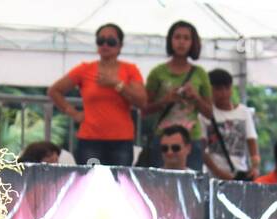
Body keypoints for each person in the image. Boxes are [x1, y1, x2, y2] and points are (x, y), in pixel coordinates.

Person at [48, 23, 146, 168]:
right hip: (90, 139)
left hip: (121, 140)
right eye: (101, 41)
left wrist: (117, 84)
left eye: (111, 42)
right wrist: (73, 113)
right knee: (90, 183)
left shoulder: (130, 70)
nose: (105, 45)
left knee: (118, 185)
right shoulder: (84, 69)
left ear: (120, 46)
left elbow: (142, 101)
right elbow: (54, 91)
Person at [144, 21, 212, 171]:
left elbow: (210, 113)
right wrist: (165, 100)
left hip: (192, 139)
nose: (181, 42)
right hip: (163, 140)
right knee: (159, 185)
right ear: (170, 41)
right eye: (177, 37)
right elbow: (144, 109)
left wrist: (196, 97)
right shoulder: (158, 72)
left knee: (192, 185)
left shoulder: (200, 73)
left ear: (193, 43)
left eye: (186, 38)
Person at [202, 69, 259, 182]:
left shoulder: (244, 112)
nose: (223, 93)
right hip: (214, 177)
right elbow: (202, 150)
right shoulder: (205, 114)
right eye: (218, 89)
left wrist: (255, 167)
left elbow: (252, 143)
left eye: (227, 88)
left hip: (240, 172)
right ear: (210, 90)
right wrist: (218, 172)